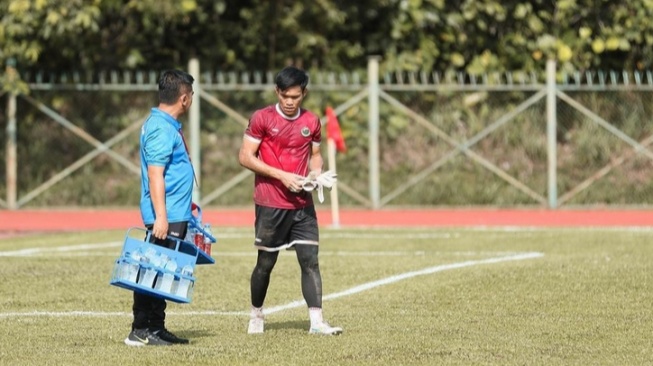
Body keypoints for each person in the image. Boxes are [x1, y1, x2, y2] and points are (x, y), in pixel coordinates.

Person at [238, 66, 343, 335]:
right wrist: (282, 176)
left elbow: (315, 154)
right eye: (285, 95)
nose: (289, 101)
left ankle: (317, 322)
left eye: (295, 97)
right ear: (277, 92)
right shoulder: (262, 118)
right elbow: (246, 157)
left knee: (310, 259)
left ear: (304, 94)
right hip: (270, 203)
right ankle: (257, 314)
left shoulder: (312, 122)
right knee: (266, 263)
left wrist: (316, 173)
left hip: (302, 205)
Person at [124, 69, 196, 346]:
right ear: (184, 98)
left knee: (164, 270)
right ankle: (140, 329)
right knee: (152, 269)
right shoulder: (160, 128)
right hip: (165, 214)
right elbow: (155, 174)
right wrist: (161, 217)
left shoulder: (165, 124)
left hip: (175, 209)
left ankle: (156, 326)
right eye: (190, 95)